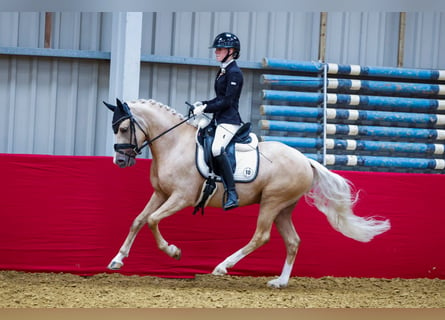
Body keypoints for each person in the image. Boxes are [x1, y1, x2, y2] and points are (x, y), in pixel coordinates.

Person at [193, 32, 244, 211]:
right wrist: (203, 103)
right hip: (219, 118)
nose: (216, 52)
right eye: (216, 49)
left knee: (216, 149)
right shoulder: (223, 70)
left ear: (231, 51)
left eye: (220, 49)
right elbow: (218, 98)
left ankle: (232, 192)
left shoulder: (235, 73)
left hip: (230, 120)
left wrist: (205, 109)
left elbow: (227, 101)